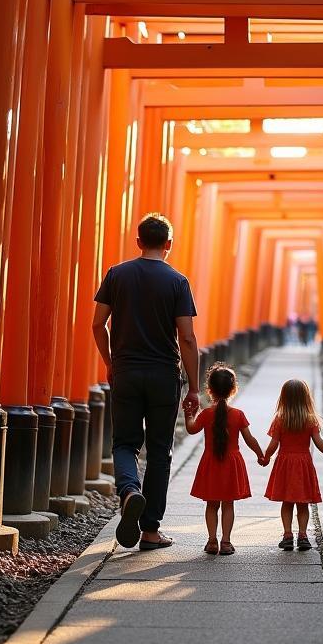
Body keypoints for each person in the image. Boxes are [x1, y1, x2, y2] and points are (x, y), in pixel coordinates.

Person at [92, 213, 201, 550]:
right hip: (163, 375)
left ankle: (129, 491)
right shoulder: (178, 281)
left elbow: (98, 325)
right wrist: (195, 386)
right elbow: (187, 337)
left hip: (126, 371)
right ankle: (151, 531)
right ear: (168, 244)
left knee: (124, 444)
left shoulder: (116, 274)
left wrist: (111, 363)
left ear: (138, 242)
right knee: (159, 452)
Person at [186, 365, 267, 555]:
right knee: (228, 504)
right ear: (233, 389)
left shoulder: (206, 414)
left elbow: (191, 429)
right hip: (231, 464)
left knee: (211, 504)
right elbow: (250, 439)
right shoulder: (238, 415)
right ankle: (226, 542)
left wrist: (189, 413)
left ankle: (212, 541)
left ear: (209, 389)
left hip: (211, 463)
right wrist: (260, 454)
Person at [263, 378, 323, 551]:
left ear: (283, 398)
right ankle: (302, 536)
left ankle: (287, 535)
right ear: (306, 398)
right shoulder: (310, 420)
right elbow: (320, 443)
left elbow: (273, 444)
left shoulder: (279, 419)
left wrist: (265, 457)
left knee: (287, 502)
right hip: (303, 464)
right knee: (303, 503)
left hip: (285, 464)